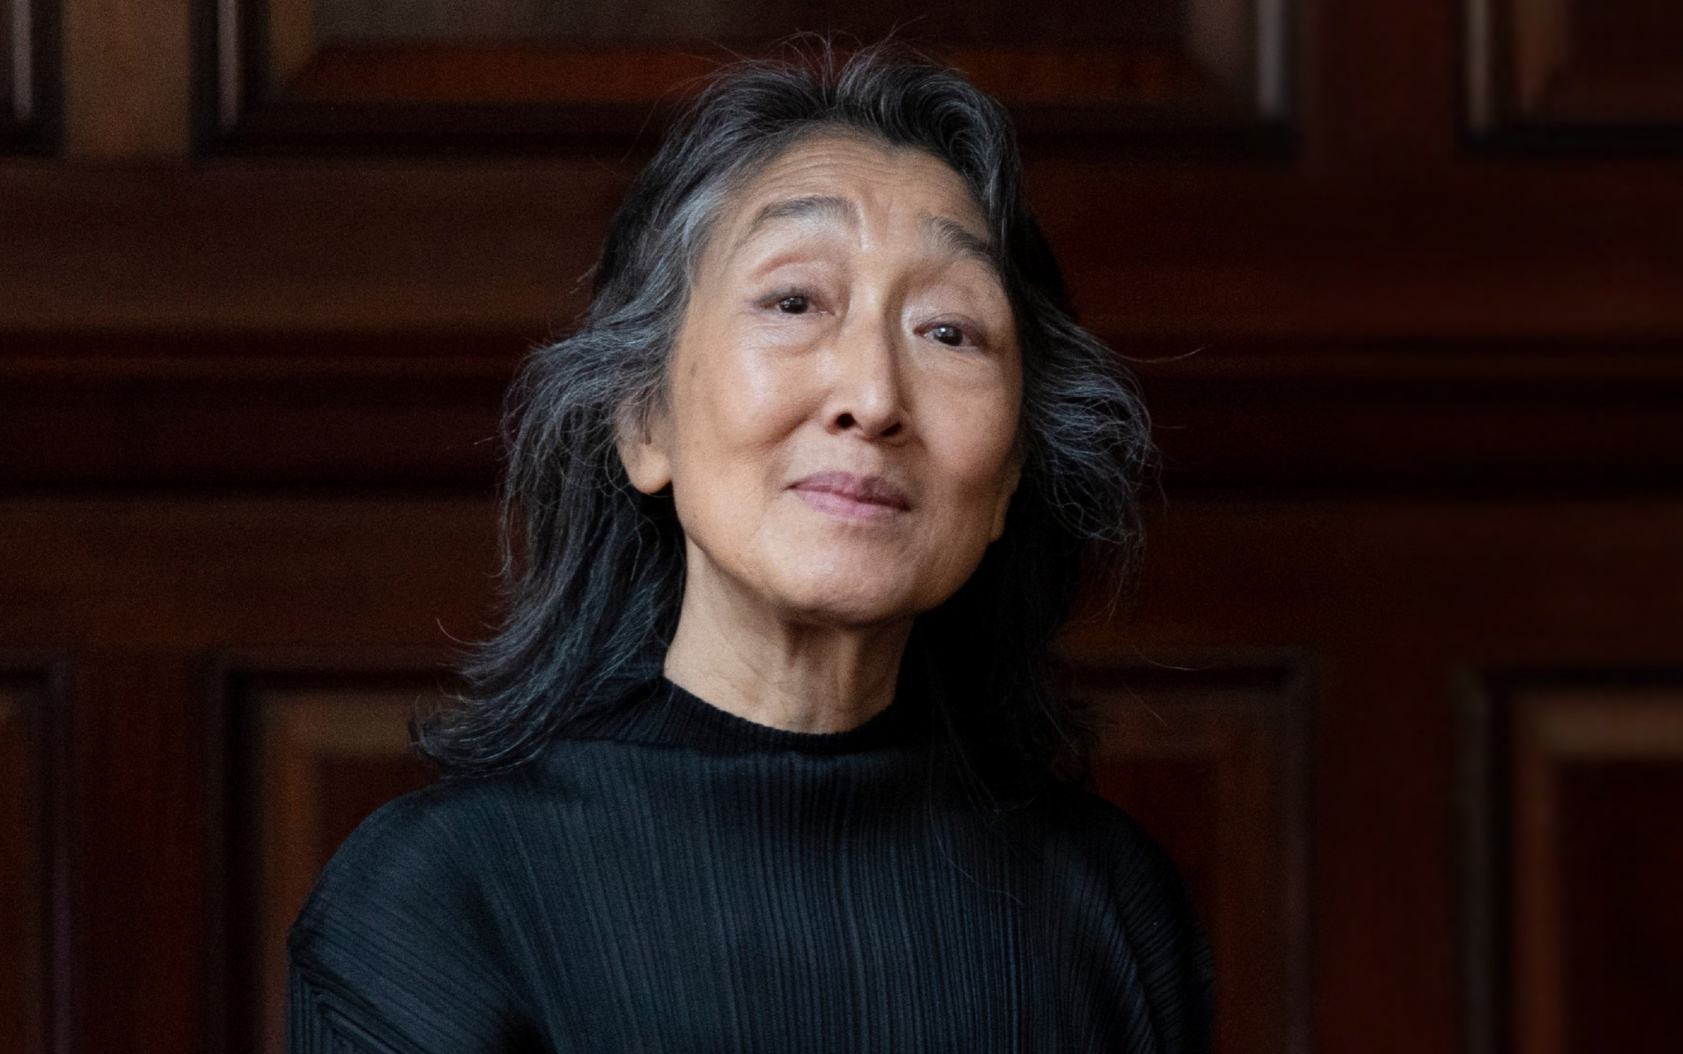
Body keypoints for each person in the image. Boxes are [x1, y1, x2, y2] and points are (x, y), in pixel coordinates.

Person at [287, 41, 1215, 1053]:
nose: (872, 396)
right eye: (793, 302)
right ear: (645, 421)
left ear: (1005, 482)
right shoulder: (439, 906)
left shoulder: (1110, 907)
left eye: (948, 330)